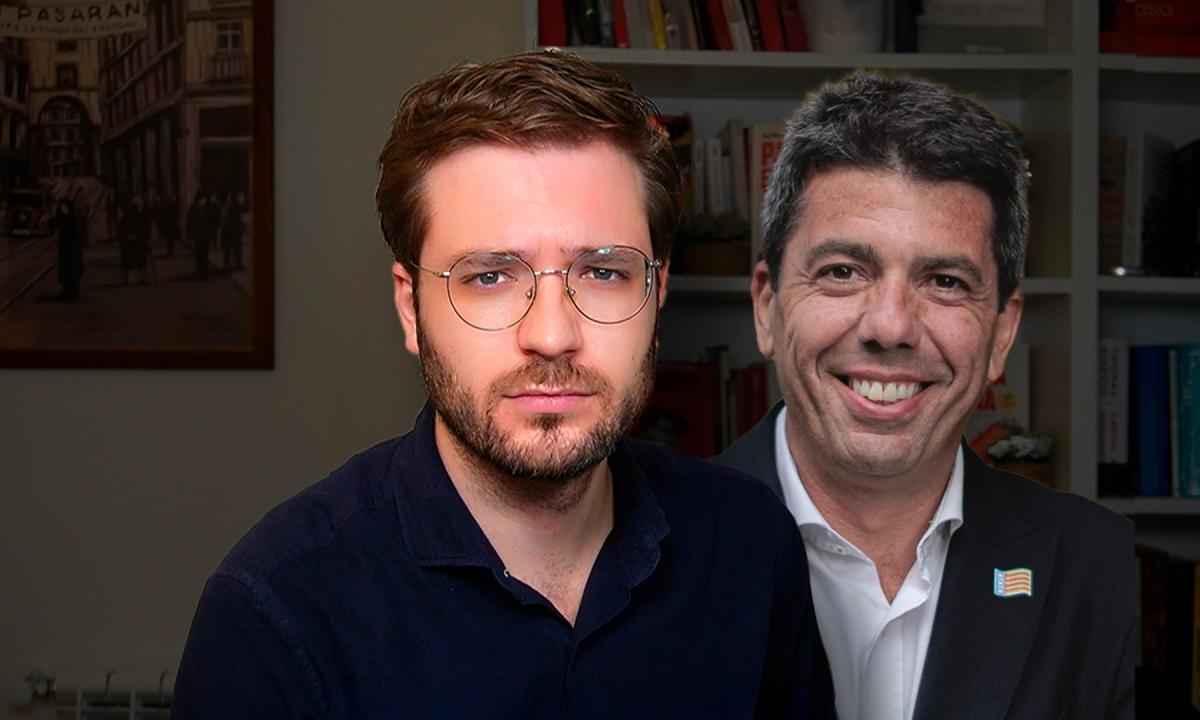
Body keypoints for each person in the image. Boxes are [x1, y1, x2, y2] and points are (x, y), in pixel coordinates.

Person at [173, 51, 834, 719]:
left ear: (656, 295)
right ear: (411, 309)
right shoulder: (276, 615)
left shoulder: (751, 549)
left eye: (603, 272)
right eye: (490, 276)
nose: (551, 334)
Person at [716, 71, 1133, 720]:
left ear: (1001, 332)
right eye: (843, 272)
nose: (891, 328)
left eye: (944, 281)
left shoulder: (1102, 569)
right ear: (767, 308)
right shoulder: (640, 555)